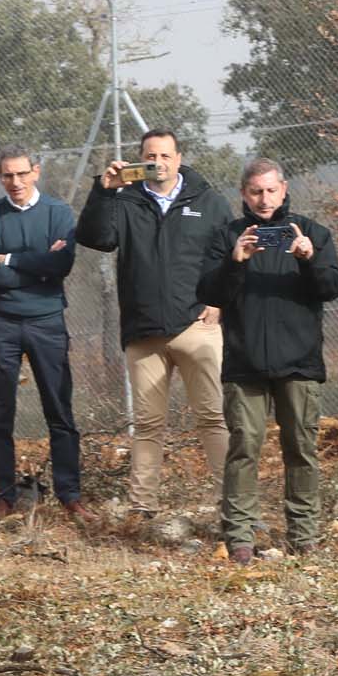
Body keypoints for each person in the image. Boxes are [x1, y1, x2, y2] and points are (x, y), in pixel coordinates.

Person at [75, 128, 233, 517]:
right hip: (143, 331)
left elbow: (228, 256)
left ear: (178, 159)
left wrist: (220, 301)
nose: (158, 163)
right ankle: (142, 508)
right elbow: (96, 238)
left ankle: (234, 504)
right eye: (150, 156)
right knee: (148, 424)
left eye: (165, 156)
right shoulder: (125, 200)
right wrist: (104, 191)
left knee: (213, 417)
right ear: (139, 159)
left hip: (197, 327)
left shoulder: (209, 202)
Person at [196, 158, 338, 563]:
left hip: (299, 363)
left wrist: (309, 259)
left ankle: (304, 536)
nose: (264, 199)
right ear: (243, 194)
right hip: (245, 364)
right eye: (256, 192)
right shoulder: (226, 236)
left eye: (271, 191)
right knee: (244, 448)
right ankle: (240, 539)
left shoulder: (312, 233)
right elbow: (209, 293)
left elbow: (332, 287)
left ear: (284, 189)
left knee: (301, 448)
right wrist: (235, 261)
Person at [0, 145, 87, 520]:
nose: (16, 182)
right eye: (7, 175)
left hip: (47, 321)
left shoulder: (58, 212)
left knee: (59, 410)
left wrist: (11, 260)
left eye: (22, 173)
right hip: (1, 323)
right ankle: (3, 497)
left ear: (36, 171)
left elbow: (61, 265)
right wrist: (38, 267)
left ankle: (70, 496)